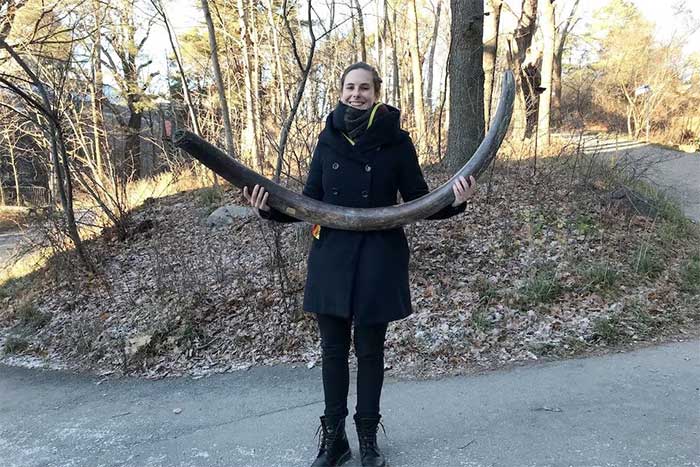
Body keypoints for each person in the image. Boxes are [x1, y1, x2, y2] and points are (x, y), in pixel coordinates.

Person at [243, 62, 475, 467]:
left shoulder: (398, 142)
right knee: (333, 351)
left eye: (364, 87)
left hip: (378, 259)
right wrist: (268, 211)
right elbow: (308, 202)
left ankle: (367, 438)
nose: (356, 94)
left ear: (376, 92)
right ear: (341, 91)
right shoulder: (327, 140)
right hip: (331, 258)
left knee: (370, 352)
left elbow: (419, 200)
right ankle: (334, 439)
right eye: (350, 87)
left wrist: (456, 201)